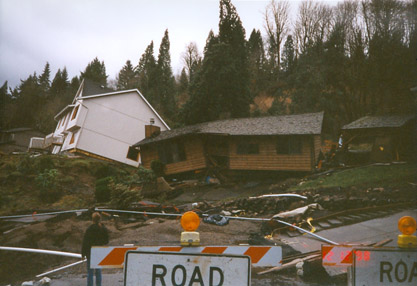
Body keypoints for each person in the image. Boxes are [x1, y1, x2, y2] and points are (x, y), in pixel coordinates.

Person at [82, 212, 109, 286]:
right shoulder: (103, 228)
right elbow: (106, 241)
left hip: (90, 252)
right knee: (98, 272)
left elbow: (85, 242)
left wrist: (83, 254)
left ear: (92, 219)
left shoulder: (89, 229)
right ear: (100, 219)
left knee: (90, 272)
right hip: (99, 251)